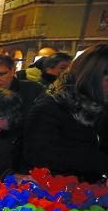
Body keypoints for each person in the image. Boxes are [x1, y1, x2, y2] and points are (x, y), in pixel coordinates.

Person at [23, 44, 108, 184]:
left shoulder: (101, 106)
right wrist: (98, 162)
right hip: (59, 194)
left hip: (96, 192)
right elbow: (37, 154)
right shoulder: (51, 106)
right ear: (92, 78)